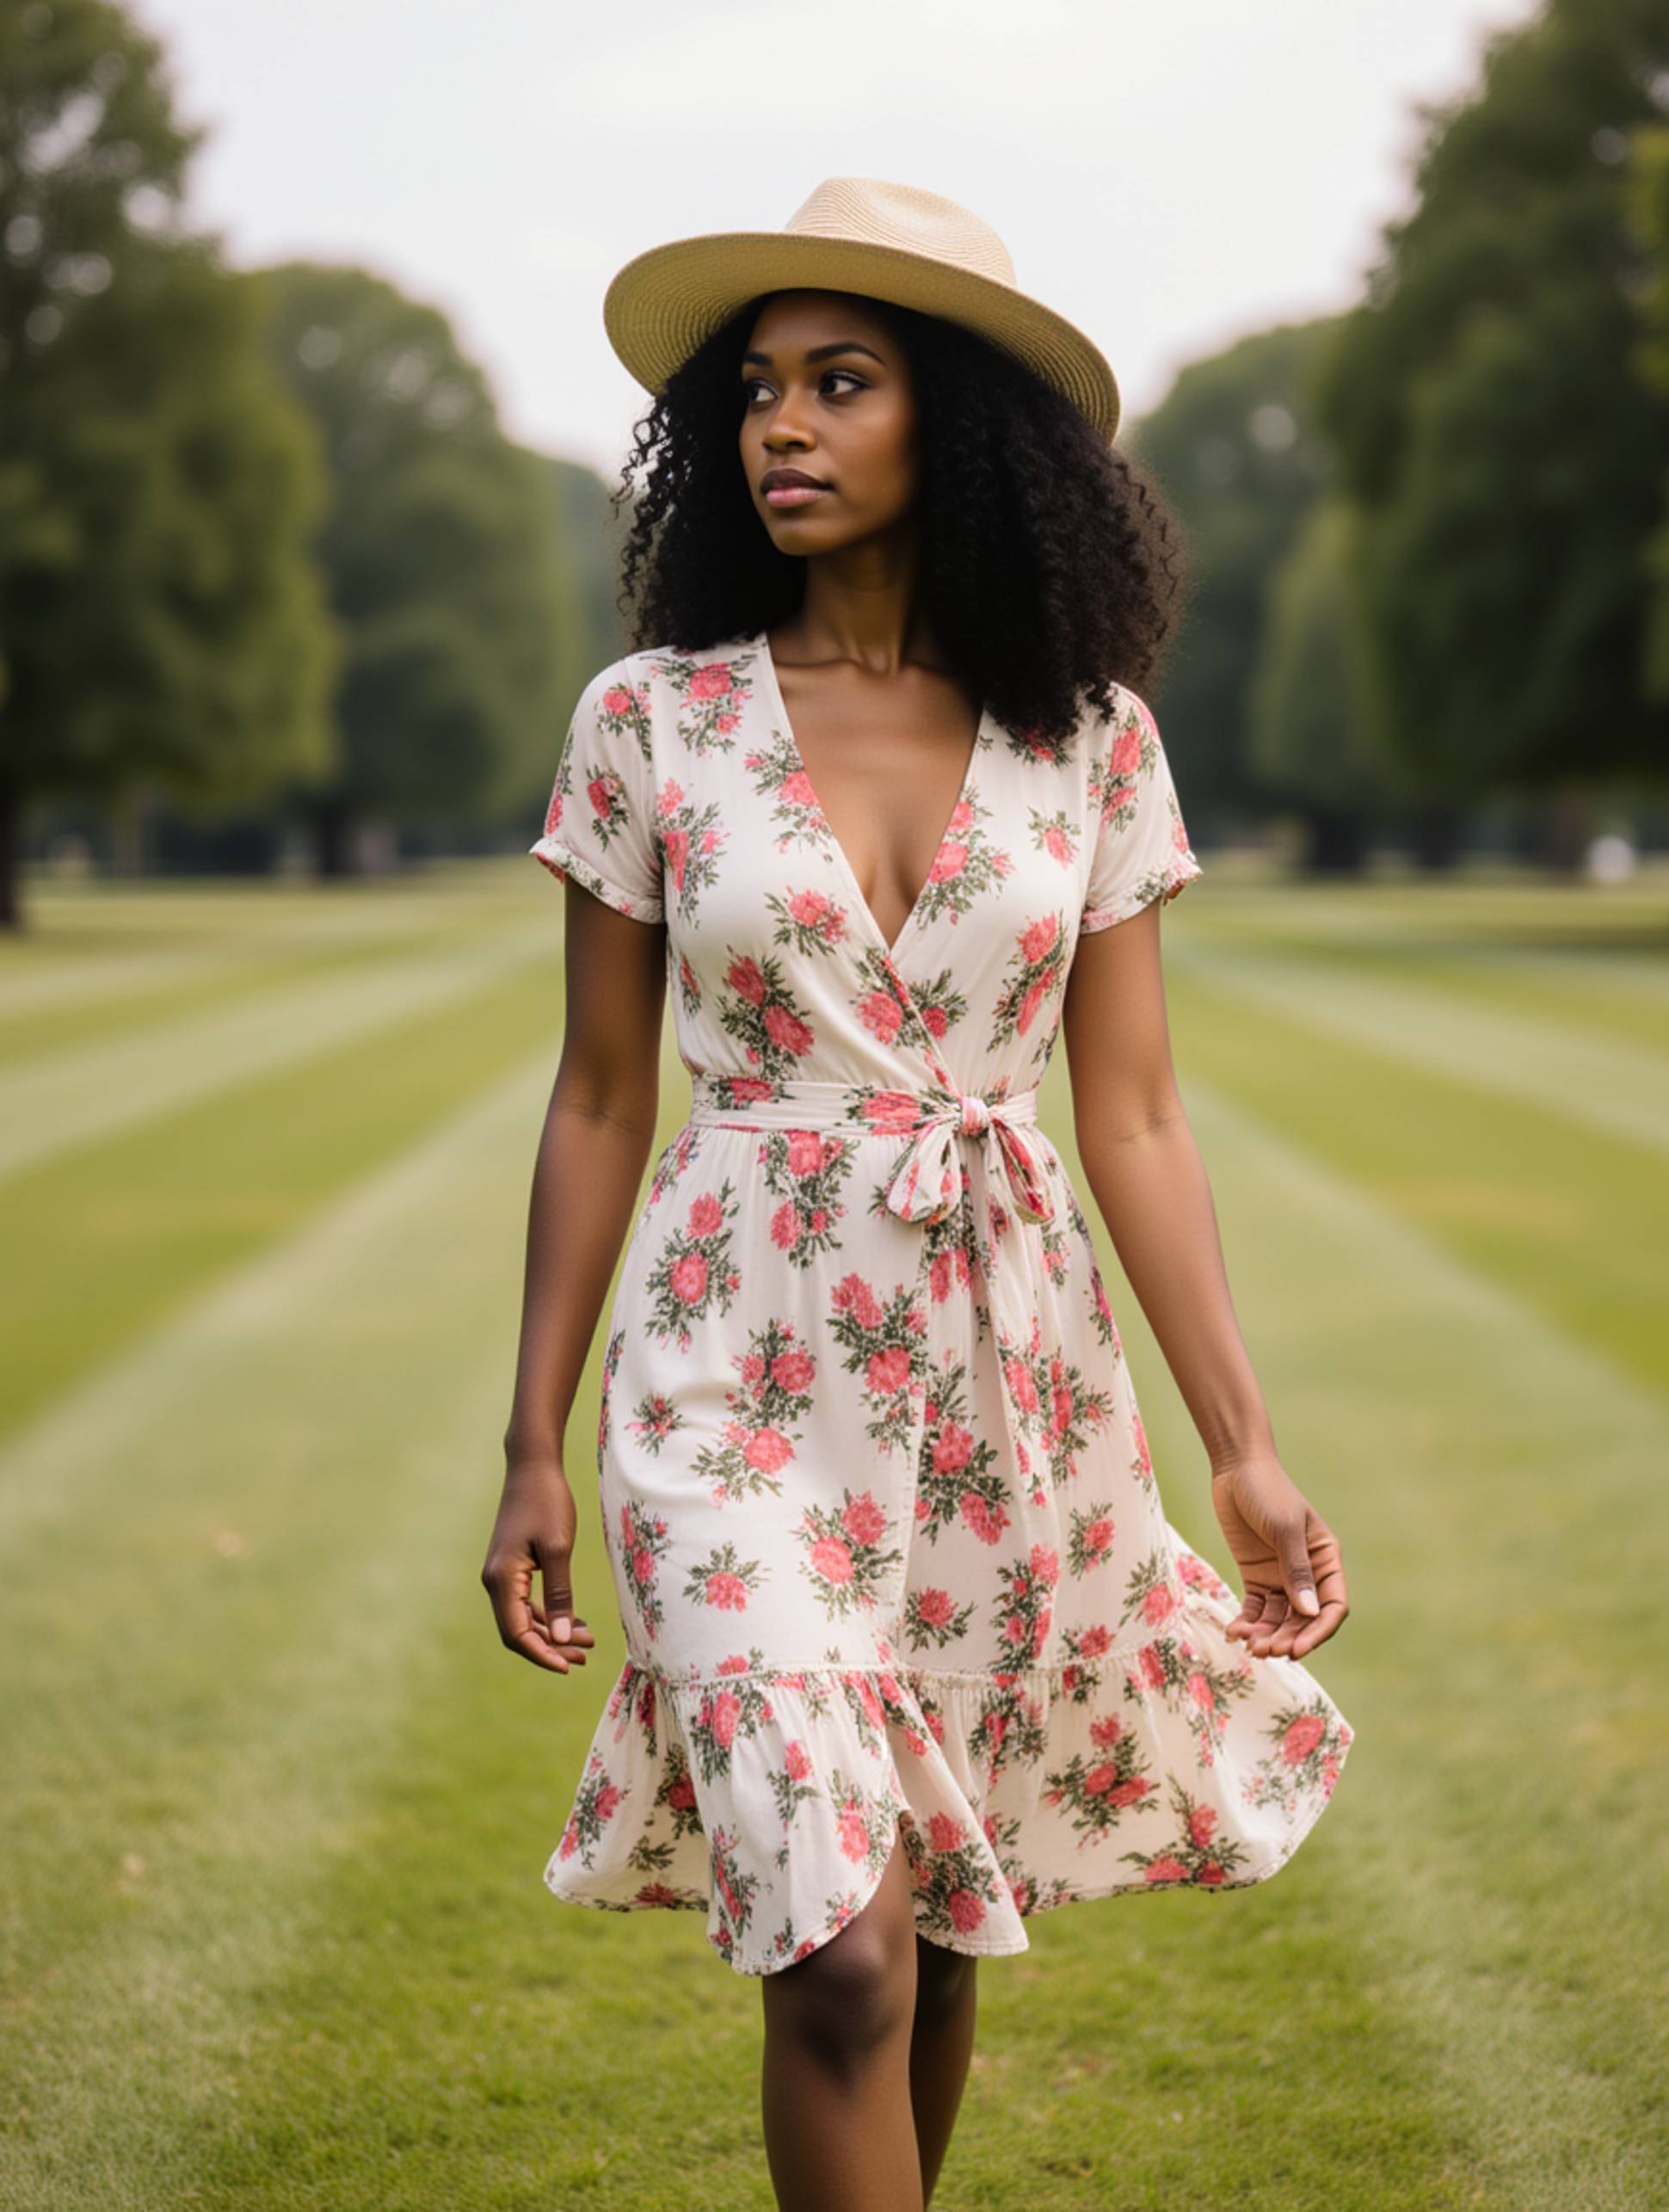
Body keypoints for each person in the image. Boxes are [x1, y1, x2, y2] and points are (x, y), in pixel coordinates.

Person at [483, 177, 1355, 2212]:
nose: (781, 427)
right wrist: (532, 1439)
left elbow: (1130, 1113)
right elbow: (602, 1096)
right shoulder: (650, 723)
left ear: (950, 425)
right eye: (757, 393)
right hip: (728, 1378)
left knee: (943, 1924)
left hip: (1000, 1383)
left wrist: (1242, 1447)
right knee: (841, 1939)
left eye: (839, 383)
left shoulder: (1090, 743)